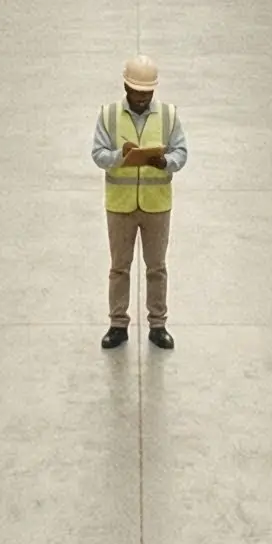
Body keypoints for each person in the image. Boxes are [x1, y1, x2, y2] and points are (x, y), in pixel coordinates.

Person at [93, 53, 186, 350]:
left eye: (147, 93)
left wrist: (165, 162)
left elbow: (181, 153)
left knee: (156, 266)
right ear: (125, 87)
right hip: (120, 205)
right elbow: (98, 154)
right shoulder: (108, 115)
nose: (142, 98)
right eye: (137, 92)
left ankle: (158, 325)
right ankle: (118, 324)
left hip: (156, 204)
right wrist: (121, 156)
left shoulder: (169, 115)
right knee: (120, 266)